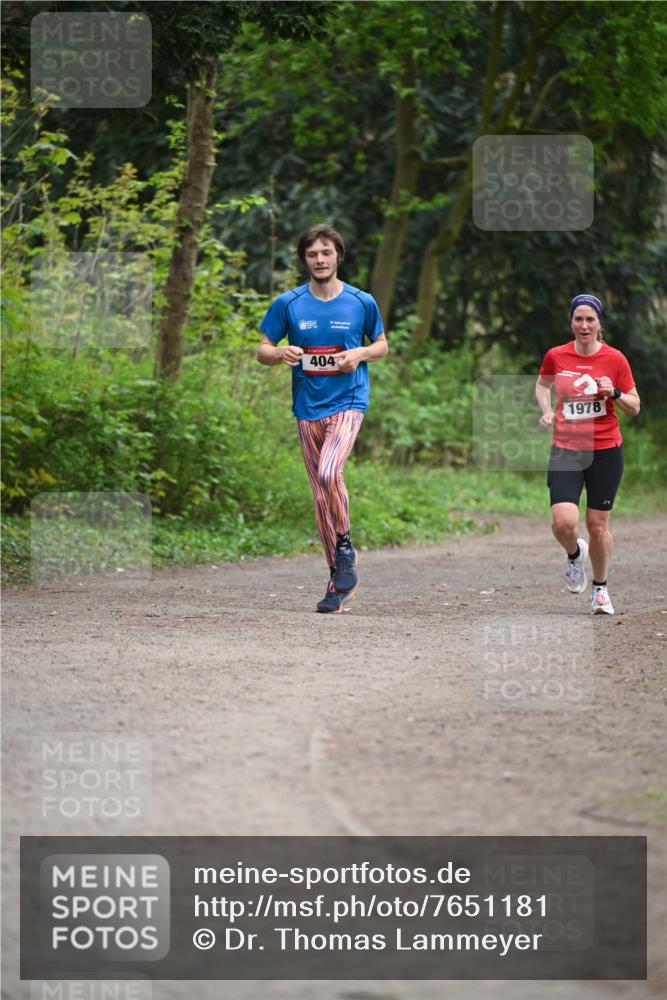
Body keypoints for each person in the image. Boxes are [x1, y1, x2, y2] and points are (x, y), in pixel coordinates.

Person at [257, 223, 388, 613]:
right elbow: (262, 348)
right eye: (312, 254)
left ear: (338, 257)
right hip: (307, 407)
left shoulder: (361, 301)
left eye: (326, 253)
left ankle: (344, 547)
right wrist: (280, 354)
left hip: (348, 402)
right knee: (319, 496)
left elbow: (382, 344)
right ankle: (338, 581)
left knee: (331, 473)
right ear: (305, 260)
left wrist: (359, 355)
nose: (319, 259)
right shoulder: (289, 303)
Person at [535, 294, 640, 615]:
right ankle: (572, 555)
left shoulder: (615, 359)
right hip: (567, 446)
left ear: (598, 324)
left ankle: (600, 590)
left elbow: (634, 406)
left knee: (597, 526)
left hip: (606, 449)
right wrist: (546, 412)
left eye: (589, 319)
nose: (584, 325)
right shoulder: (556, 355)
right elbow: (542, 385)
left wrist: (616, 392)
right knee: (563, 522)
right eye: (578, 319)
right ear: (571, 322)